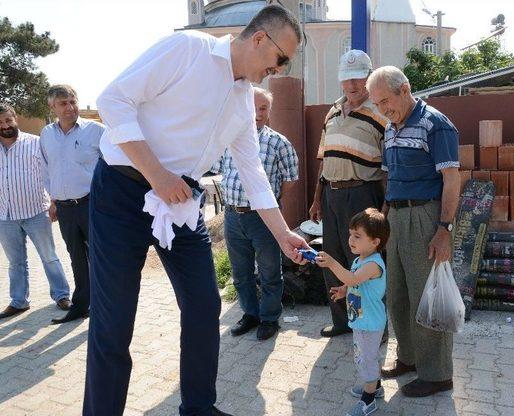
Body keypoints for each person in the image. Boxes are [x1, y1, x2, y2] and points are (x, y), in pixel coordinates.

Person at [84, 5, 305, 416]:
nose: (279, 69)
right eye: (281, 59)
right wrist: (156, 174)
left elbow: (254, 175)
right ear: (260, 39)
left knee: (204, 305)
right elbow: (113, 100)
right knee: (113, 323)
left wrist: (283, 234)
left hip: (180, 204)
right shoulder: (187, 49)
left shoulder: (243, 103)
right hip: (122, 192)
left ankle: (199, 408)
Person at [367, 66, 461, 397]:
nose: (383, 109)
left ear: (405, 89)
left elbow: (452, 180)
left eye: (386, 101)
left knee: (427, 296)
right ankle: (409, 358)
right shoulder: (390, 129)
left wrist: (444, 229)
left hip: (426, 217)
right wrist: (385, 221)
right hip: (397, 219)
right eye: (377, 104)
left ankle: (437, 374)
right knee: (397, 294)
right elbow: (391, 178)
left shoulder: (436, 124)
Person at [309, 50, 387, 338]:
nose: (351, 86)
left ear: (368, 78)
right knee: (332, 258)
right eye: (346, 80)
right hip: (331, 195)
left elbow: (388, 167)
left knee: (365, 262)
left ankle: (375, 326)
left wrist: (385, 208)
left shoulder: (381, 113)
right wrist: (317, 198)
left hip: (362, 194)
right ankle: (343, 321)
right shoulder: (331, 112)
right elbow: (325, 159)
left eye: (357, 79)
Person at [214, 87, 299, 341]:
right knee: (240, 273)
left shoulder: (277, 142)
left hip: (263, 219)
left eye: (263, 108)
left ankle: (270, 318)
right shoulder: (229, 139)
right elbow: (220, 170)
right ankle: (250, 314)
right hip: (232, 216)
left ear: (269, 111)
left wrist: (270, 201)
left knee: (270, 270)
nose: (257, 114)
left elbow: (290, 179)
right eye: (253, 108)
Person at [40, 85, 104, 324]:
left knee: (100, 256)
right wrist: (54, 200)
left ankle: (105, 306)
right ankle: (81, 306)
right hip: (65, 208)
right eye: (63, 103)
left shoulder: (96, 131)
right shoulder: (47, 134)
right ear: (52, 107)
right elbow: (47, 169)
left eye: (72, 101)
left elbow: (113, 164)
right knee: (76, 257)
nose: (70, 107)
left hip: (92, 205)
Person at [0, 103, 71, 319]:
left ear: (15, 119)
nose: (4, 126)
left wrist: (54, 201)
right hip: (5, 215)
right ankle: (19, 301)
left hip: (36, 212)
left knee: (49, 256)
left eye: (8, 120)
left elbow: (51, 172)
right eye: (0, 122)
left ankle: (61, 295)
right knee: (15, 262)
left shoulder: (35, 143)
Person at [316, 208, 389, 416]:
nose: (351, 240)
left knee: (367, 360)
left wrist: (331, 263)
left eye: (358, 236)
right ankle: (376, 387)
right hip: (360, 320)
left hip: (371, 323)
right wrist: (344, 290)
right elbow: (354, 282)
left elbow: (353, 278)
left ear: (375, 241)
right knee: (365, 356)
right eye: (350, 234)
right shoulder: (360, 260)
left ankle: (368, 401)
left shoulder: (374, 264)